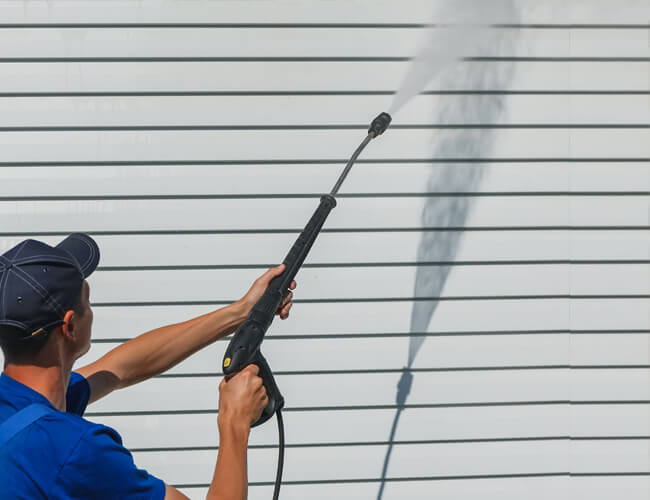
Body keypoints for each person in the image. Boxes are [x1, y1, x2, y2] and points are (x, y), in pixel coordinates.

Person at [0, 233, 296, 500]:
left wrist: (241, 312)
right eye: (87, 300)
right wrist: (235, 422)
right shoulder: (74, 450)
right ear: (70, 327)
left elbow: (120, 368)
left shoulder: (19, 404)